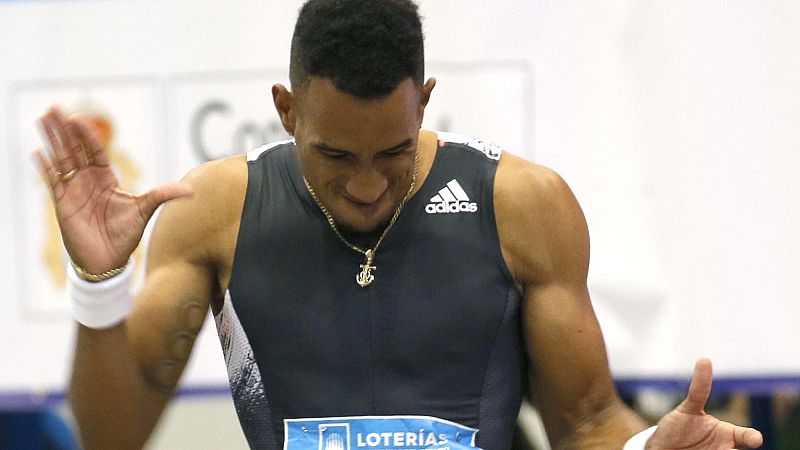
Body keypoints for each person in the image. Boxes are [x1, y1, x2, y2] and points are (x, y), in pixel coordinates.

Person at [34, 0, 764, 449]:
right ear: (287, 111)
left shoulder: (522, 205)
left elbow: (586, 423)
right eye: (333, 155)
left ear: (425, 101)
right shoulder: (218, 212)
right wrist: (100, 282)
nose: (365, 185)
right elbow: (111, 437)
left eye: (392, 152)